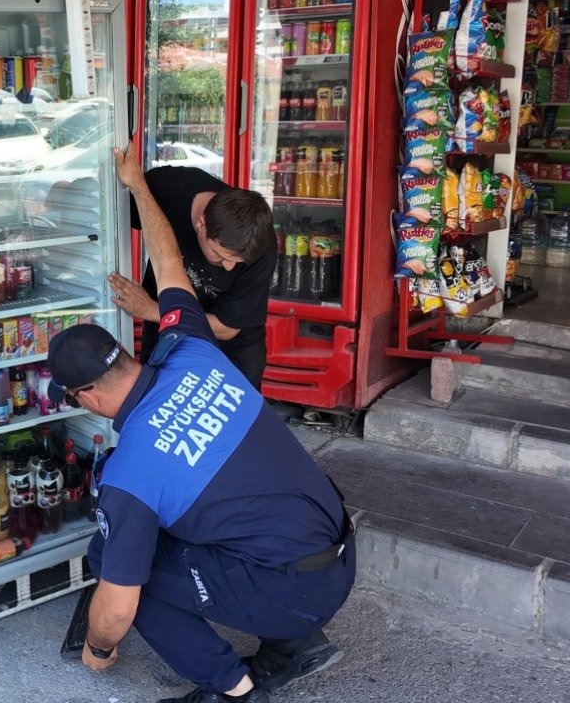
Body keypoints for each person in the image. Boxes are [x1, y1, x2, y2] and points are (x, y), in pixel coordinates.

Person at [49, 146, 355, 703]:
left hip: (297, 586)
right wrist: (138, 186)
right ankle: (296, 644)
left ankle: (234, 689)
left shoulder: (131, 473)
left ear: (87, 397)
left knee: (118, 563)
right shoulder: (192, 348)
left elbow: (117, 604)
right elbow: (169, 268)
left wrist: (98, 648)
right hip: (336, 549)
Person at [107, 166, 276, 390]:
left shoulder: (260, 245)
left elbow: (227, 328)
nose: (228, 267)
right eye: (219, 256)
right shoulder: (172, 187)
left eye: (237, 261)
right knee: (158, 401)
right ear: (201, 223)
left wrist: (150, 310)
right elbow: (108, 209)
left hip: (228, 350)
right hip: (166, 334)